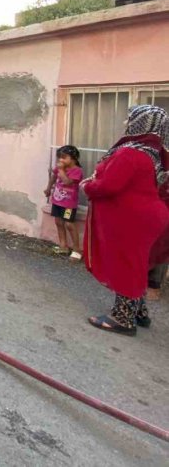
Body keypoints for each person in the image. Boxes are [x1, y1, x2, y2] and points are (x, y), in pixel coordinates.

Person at [83, 105, 169, 336]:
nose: (125, 124)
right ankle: (139, 312)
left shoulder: (130, 152)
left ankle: (122, 318)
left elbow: (110, 185)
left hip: (134, 218)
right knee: (137, 263)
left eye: (129, 119)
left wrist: (88, 185)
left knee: (127, 264)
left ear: (139, 123)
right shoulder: (157, 153)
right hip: (151, 215)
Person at [43, 145, 84, 260]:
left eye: (64, 157)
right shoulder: (61, 168)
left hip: (69, 205)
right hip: (57, 202)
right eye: (59, 157)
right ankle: (63, 246)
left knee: (69, 224)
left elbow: (67, 182)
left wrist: (61, 169)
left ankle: (77, 250)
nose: (60, 160)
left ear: (73, 158)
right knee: (59, 222)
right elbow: (54, 177)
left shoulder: (77, 171)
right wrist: (48, 188)